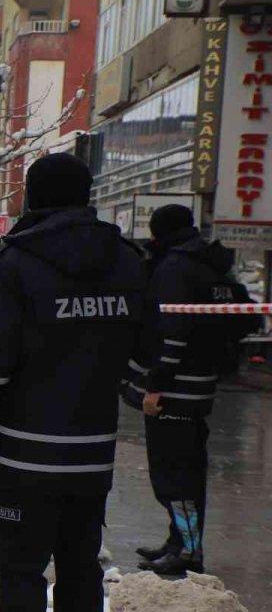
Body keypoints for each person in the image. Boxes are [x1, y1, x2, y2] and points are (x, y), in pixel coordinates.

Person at [0, 153, 145, 612]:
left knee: (21, 574)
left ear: (33, 197)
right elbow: (143, 355)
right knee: (81, 570)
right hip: (92, 460)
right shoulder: (127, 261)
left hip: (23, 460)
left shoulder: (15, 265)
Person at [123, 204, 260, 576]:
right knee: (187, 471)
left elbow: (172, 333)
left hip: (175, 390)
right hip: (202, 384)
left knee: (173, 475)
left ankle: (187, 549)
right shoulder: (213, 264)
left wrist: (155, 386)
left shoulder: (175, 268)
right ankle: (179, 541)